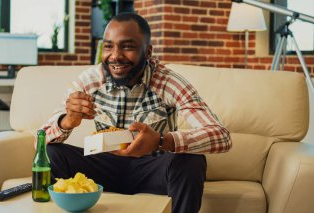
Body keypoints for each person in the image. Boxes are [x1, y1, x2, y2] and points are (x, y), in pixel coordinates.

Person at [40, 12, 232, 213]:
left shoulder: (168, 82)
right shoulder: (90, 80)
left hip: (153, 167)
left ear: (148, 52)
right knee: (53, 153)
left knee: (192, 160)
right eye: (108, 46)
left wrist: (161, 140)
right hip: (104, 166)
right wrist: (67, 121)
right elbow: (40, 142)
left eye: (128, 46)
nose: (115, 56)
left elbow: (221, 136)